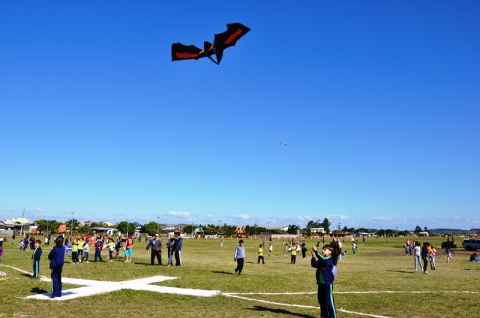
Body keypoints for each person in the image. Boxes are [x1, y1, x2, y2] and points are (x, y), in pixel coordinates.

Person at [311, 245, 337, 318]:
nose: (323, 250)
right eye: (323, 249)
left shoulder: (328, 259)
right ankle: (324, 316)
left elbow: (323, 260)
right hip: (321, 283)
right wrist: (313, 257)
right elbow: (314, 264)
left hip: (327, 283)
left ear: (330, 252)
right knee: (321, 301)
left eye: (325, 249)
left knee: (329, 302)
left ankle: (332, 316)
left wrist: (316, 251)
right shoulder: (322, 259)